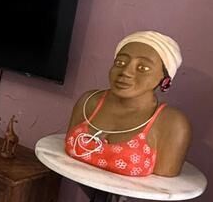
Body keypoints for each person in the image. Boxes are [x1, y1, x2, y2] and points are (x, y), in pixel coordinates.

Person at [65, 31, 191, 177]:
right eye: (120, 63)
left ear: (165, 79)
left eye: (143, 68)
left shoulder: (171, 124)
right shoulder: (89, 102)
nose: (126, 72)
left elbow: (164, 176)